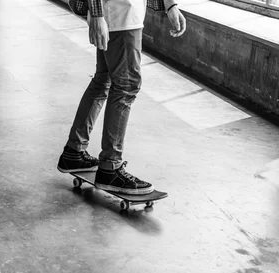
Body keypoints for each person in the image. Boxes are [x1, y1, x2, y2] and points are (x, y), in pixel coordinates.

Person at [58, 0, 186, 195]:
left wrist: (170, 5)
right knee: (126, 85)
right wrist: (98, 14)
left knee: (103, 80)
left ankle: (74, 152)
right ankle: (111, 167)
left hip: (119, 13)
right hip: (119, 14)